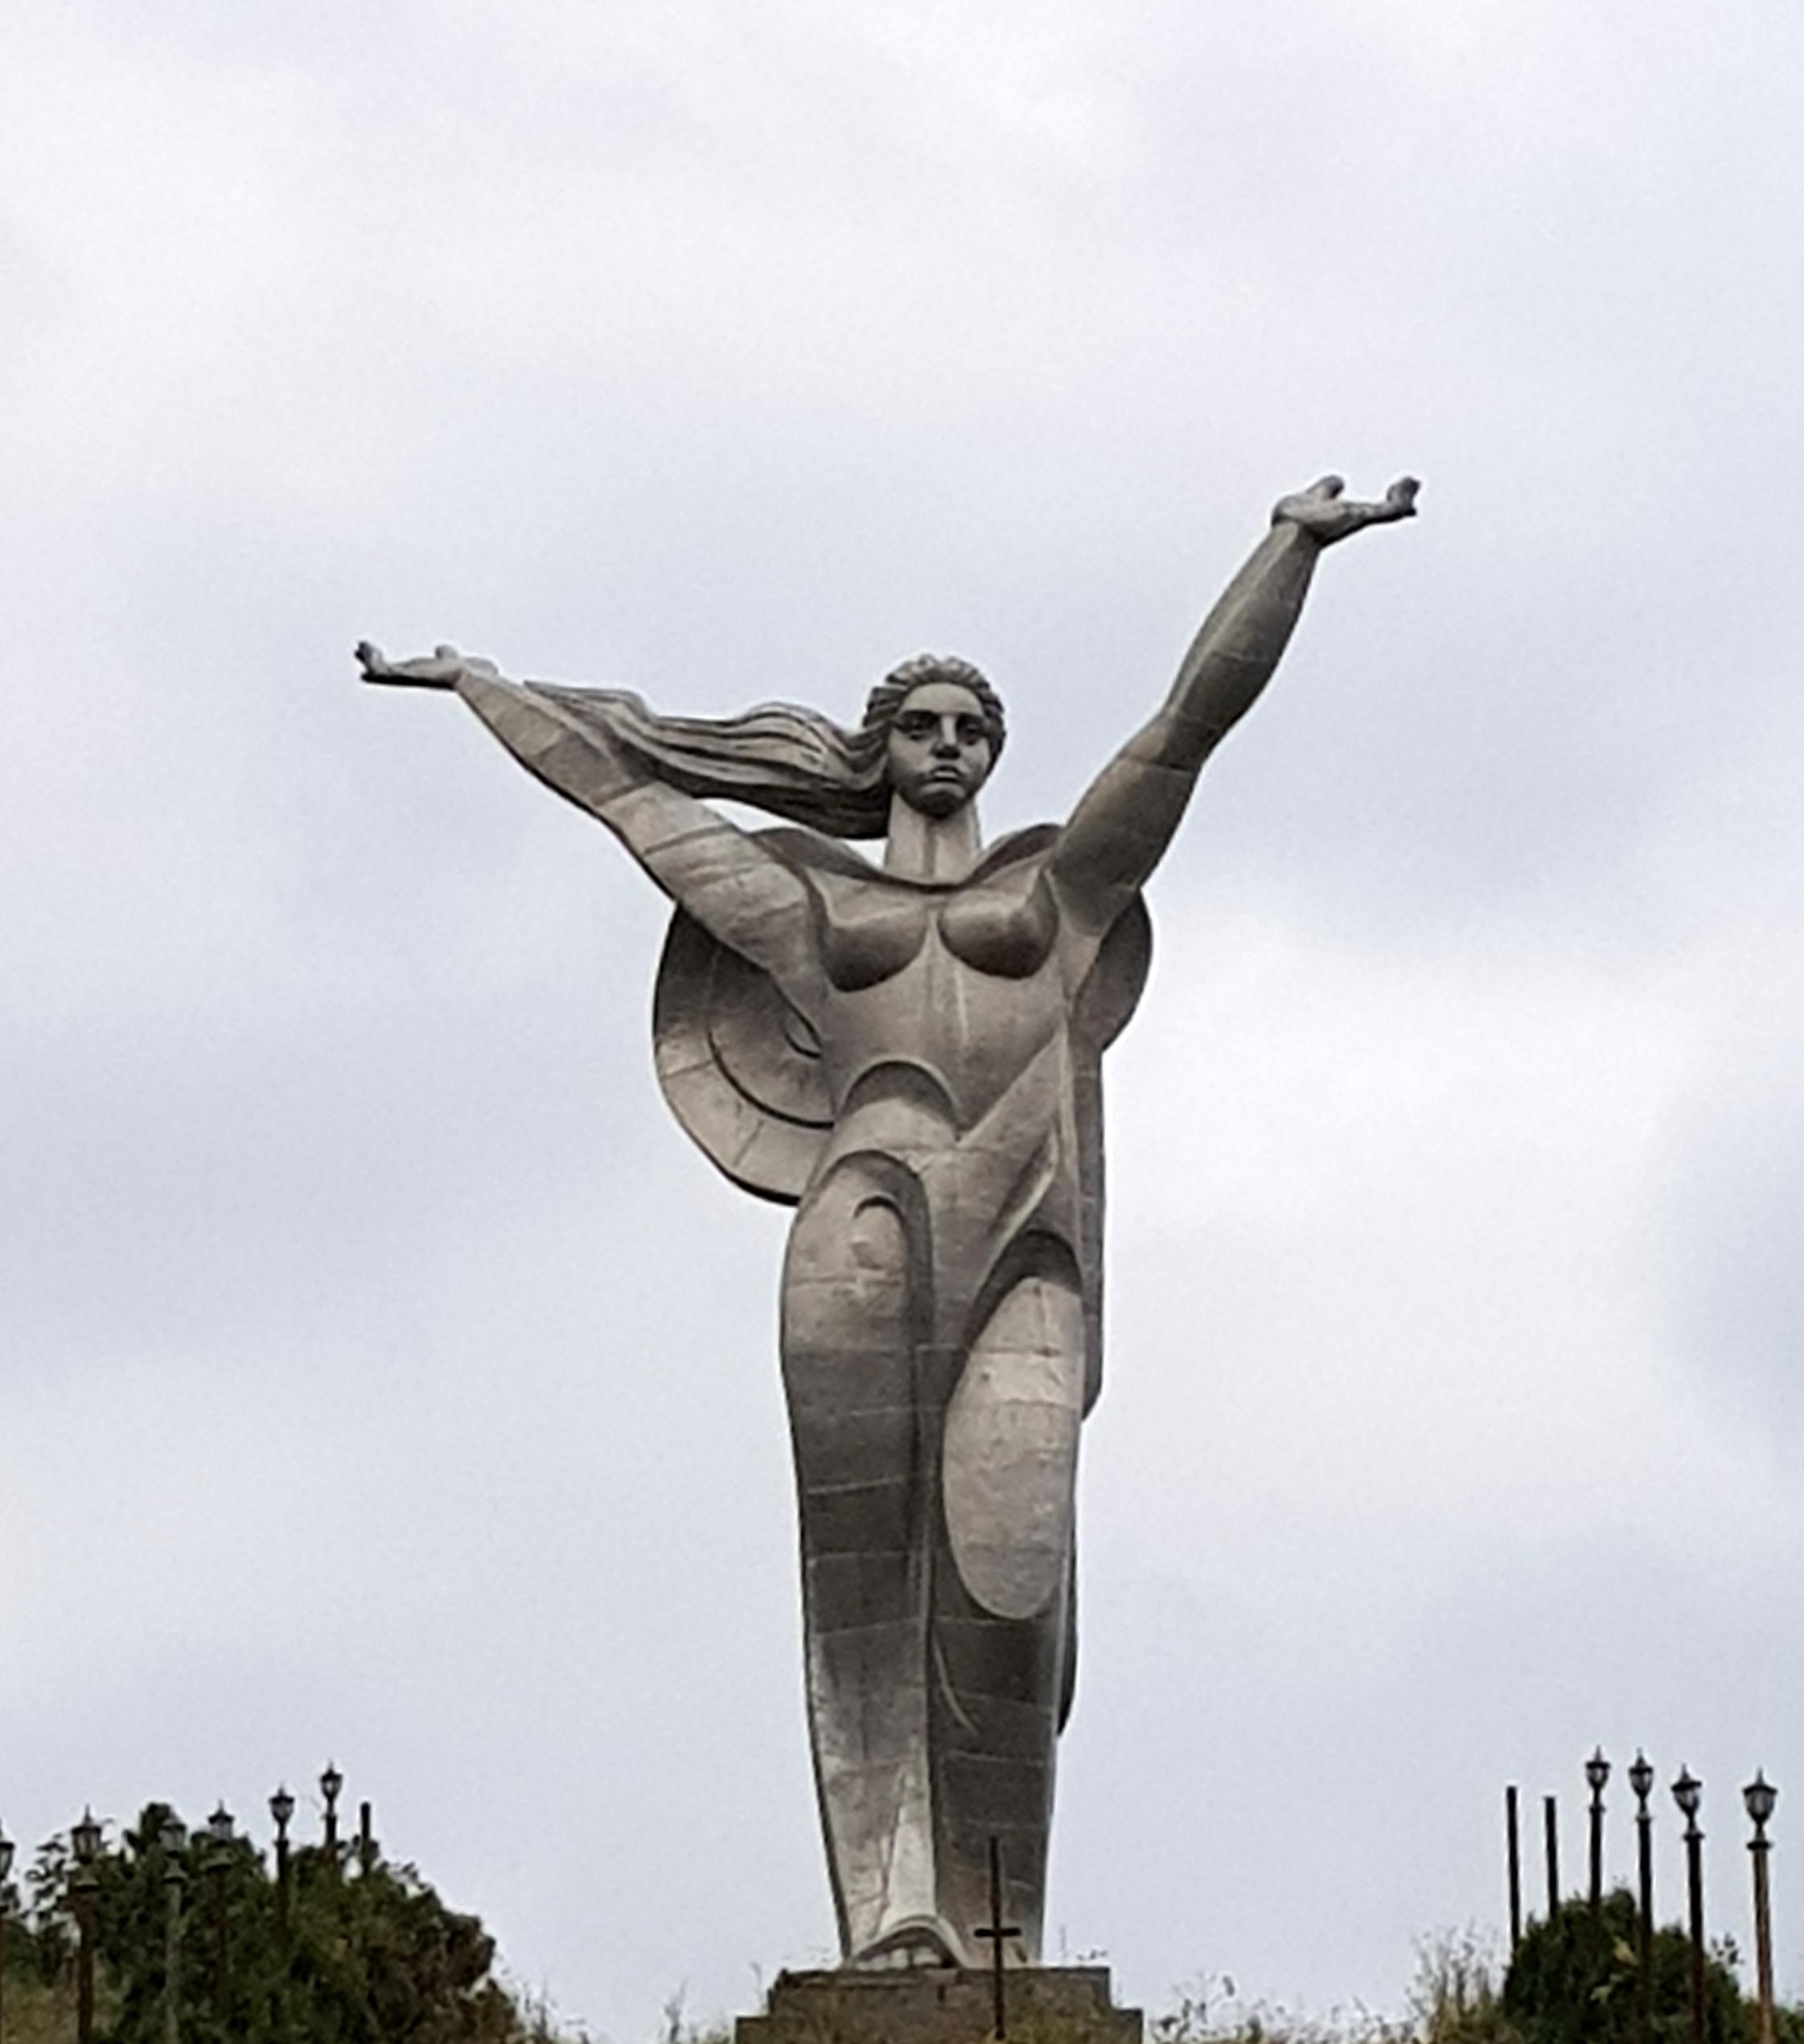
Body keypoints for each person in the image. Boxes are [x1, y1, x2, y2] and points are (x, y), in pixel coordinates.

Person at [358, 471, 1417, 1968]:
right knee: (863, 1575)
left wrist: (1291, 546)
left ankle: (1003, 1930)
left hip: (1025, 1236)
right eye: (918, 726)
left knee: (1010, 1555)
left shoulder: (1064, 887)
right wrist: (477, 684)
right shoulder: (813, 910)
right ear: (881, 746)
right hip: (862, 1212)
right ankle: (892, 1916)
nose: (942, 747)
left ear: (996, 750)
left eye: (967, 729)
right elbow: (634, 804)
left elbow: (1189, 728)